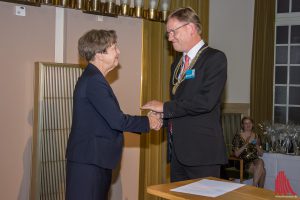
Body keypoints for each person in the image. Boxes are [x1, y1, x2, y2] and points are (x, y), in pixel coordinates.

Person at [65, 29, 162, 200]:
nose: (119, 52)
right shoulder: (94, 81)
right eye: (114, 47)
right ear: (99, 54)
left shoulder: (94, 78)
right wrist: (148, 122)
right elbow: (117, 120)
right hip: (89, 162)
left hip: (95, 159)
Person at [141, 7, 228, 182]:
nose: (170, 37)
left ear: (190, 28)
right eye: (168, 33)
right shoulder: (178, 64)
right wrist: (163, 116)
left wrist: (165, 107)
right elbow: (182, 104)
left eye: (173, 32)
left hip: (202, 154)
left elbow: (205, 102)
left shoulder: (214, 58)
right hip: (177, 153)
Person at [232, 116, 266, 188]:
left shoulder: (257, 136)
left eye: (250, 123)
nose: (248, 125)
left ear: (252, 124)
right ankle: (259, 191)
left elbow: (261, 154)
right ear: (242, 125)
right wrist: (246, 143)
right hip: (242, 162)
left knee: (260, 161)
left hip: (254, 161)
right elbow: (236, 154)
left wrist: (257, 144)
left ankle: (254, 187)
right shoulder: (238, 136)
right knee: (263, 171)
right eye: (245, 123)